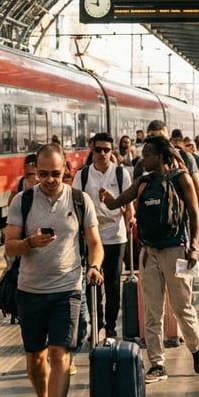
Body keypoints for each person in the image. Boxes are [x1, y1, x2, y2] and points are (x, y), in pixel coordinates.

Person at [3, 144, 104, 397]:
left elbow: (94, 242)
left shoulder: (79, 200)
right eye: (42, 174)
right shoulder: (24, 200)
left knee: (60, 354)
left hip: (68, 289)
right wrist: (29, 242)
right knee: (35, 357)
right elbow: (9, 246)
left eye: (55, 174)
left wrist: (95, 266)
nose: (48, 180)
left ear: (66, 171)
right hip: (30, 291)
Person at [100, 135, 199, 383]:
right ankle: (157, 364)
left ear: (159, 156)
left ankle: (197, 347)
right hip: (149, 253)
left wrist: (194, 246)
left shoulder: (182, 178)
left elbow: (194, 213)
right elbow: (118, 202)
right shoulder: (142, 182)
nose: (143, 158)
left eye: (147, 154)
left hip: (176, 251)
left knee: (182, 307)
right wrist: (107, 198)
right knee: (152, 311)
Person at [77, 132, 133, 340]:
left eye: (106, 150)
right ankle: (97, 322)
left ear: (112, 152)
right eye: (98, 149)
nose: (102, 154)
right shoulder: (82, 176)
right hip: (92, 237)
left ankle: (110, 325)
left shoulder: (121, 174)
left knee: (112, 283)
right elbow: (76, 205)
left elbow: (129, 205)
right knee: (92, 280)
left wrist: (129, 218)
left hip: (115, 236)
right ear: (91, 148)